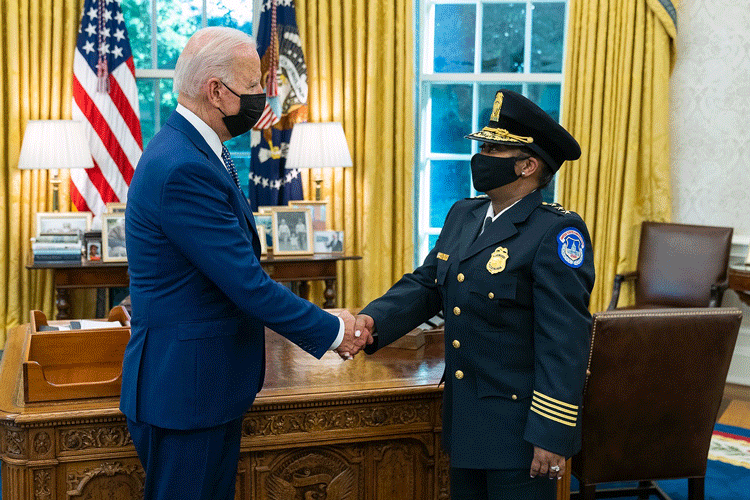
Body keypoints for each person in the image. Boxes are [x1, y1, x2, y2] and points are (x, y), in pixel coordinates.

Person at [120, 27, 371, 500]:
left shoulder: (195, 149)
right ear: (217, 91)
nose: (263, 97)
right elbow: (247, 285)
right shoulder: (183, 167)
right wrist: (333, 330)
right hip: (185, 393)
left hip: (203, 386)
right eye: (254, 85)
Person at [354, 90, 595, 500]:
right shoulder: (463, 215)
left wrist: (552, 433)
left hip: (520, 430)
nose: (480, 157)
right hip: (466, 418)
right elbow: (427, 284)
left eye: (493, 148)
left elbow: (565, 341)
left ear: (528, 164)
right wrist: (372, 321)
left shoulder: (555, 232)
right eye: (482, 146)